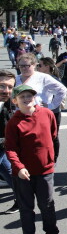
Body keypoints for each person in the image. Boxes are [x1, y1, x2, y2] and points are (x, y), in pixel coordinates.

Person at [5, 84, 60, 234]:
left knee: (47, 206)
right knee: (27, 210)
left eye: (30, 96)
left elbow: (53, 137)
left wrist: (51, 160)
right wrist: (19, 167)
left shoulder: (47, 114)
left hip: (45, 171)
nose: (27, 99)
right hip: (23, 175)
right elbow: (11, 149)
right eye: (22, 97)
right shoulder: (13, 123)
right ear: (15, 101)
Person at [17, 53, 67, 161]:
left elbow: (62, 90)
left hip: (38, 115)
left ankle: (49, 160)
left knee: (43, 141)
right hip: (20, 117)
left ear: (34, 65)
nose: (24, 68)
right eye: (21, 66)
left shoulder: (42, 77)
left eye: (27, 65)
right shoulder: (16, 79)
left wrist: (51, 105)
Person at [0, 69, 19, 214]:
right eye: (2, 85)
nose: (6, 90)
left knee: (8, 169)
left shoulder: (8, 102)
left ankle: (21, 197)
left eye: (10, 87)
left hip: (3, 145)